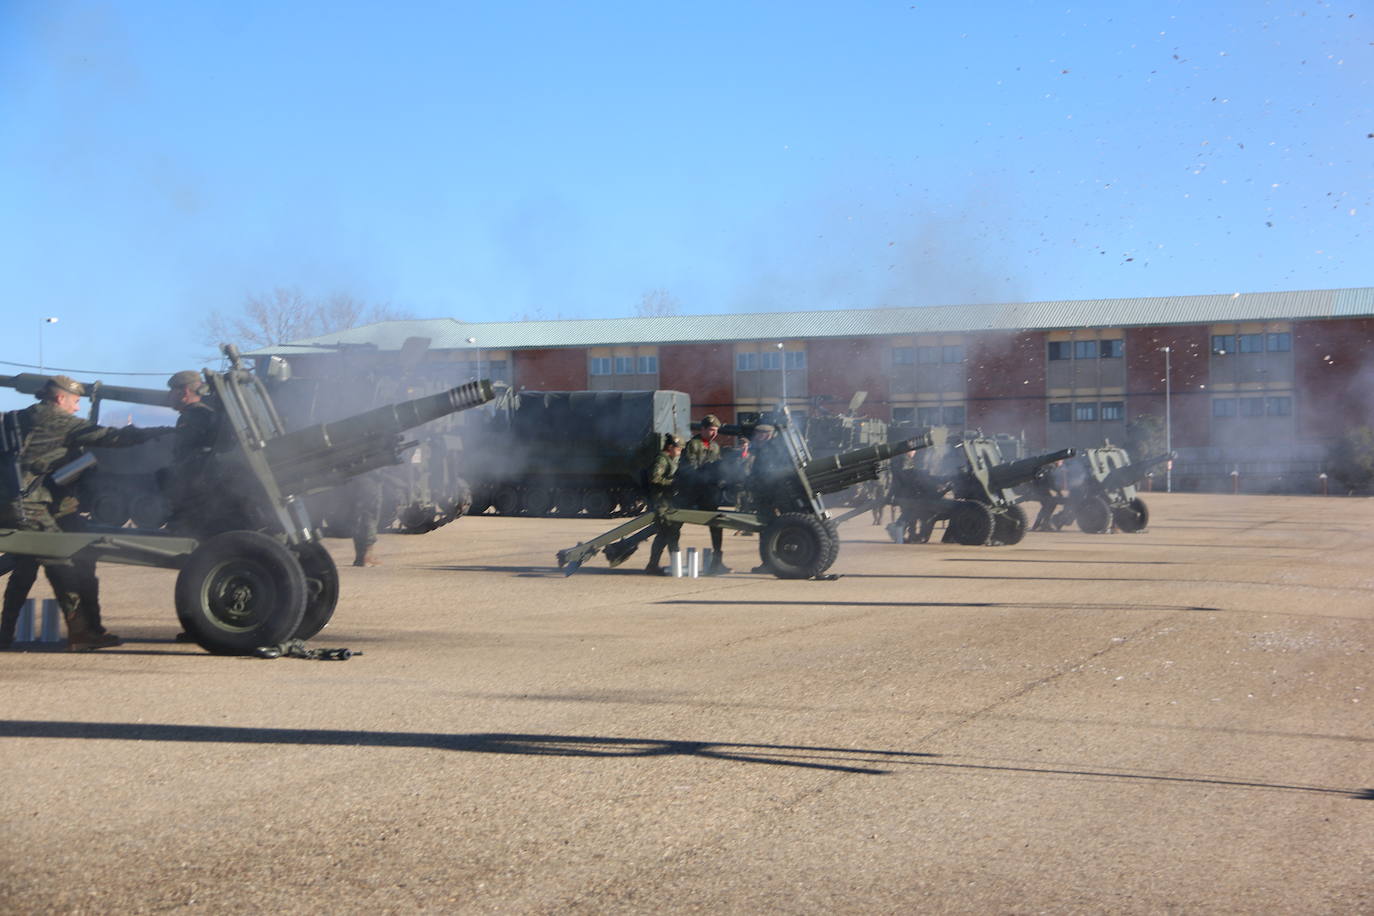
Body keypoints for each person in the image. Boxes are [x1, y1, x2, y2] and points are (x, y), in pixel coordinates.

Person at [0, 376, 172, 651]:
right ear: (59, 399)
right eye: (75, 401)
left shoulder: (18, 417)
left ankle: (5, 634)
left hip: (12, 502)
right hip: (30, 506)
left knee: (24, 568)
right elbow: (110, 437)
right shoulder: (60, 420)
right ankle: (80, 633)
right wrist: (158, 431)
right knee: (62, 562)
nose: (77, 408)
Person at [163, 369, 220, 535]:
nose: (169, 397)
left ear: (184, 391)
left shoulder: (193, 415)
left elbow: (186, 456)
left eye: (172, 391)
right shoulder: (205, 413)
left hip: (193, 490)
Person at [681, 414, 729, 574]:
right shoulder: (692, 445)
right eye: (711, 430)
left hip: (709, 493)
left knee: (717, 525)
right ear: (702, 429)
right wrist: (705, 472)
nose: (714, 434)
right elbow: (688, 469)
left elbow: (719, 467)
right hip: (692, 492)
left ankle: (717, 562)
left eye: (716, 431)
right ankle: (661, 561)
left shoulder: (714, 447)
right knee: (672, 526)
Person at [644, 434, 684, 575]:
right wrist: (671, 483)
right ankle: (670, 565)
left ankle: (659, 564)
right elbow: (654, 477)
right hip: (661, 502)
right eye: (678, 449)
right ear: (671, 447)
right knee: (667, 534)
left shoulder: (670, 459)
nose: (679, 452)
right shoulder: (662, 459)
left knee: (668, 534)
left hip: (667, 502)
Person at [349, 470, 384, 566]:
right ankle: (368, 556)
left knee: (357, 517)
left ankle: (359, 557)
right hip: (370, 477)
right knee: (370, 515)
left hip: (353, 478)